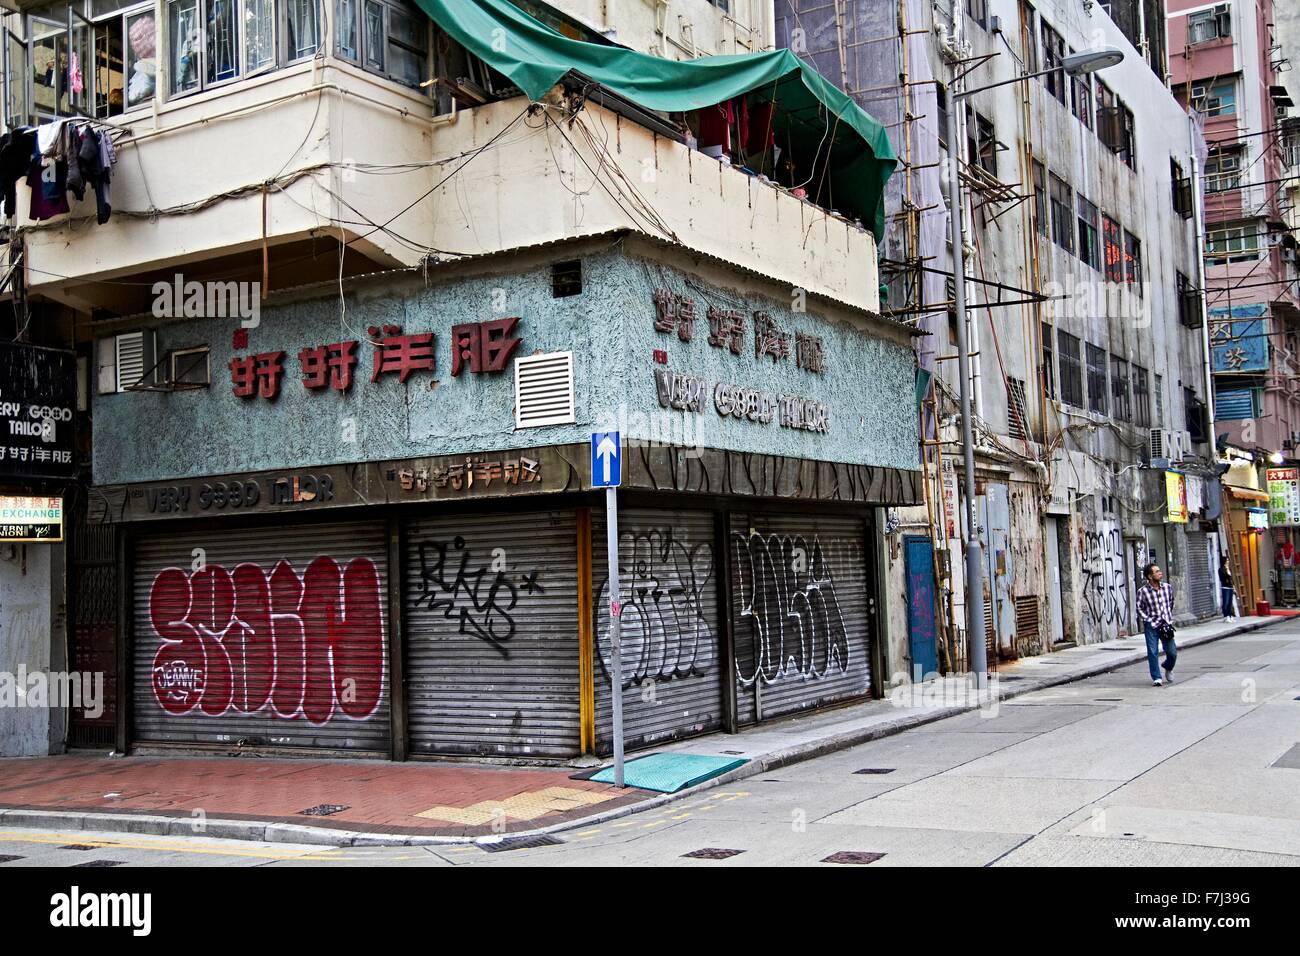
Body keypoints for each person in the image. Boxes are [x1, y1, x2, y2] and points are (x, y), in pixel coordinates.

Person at [1135, 563, 1178, 686]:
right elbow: (1139, 608)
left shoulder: (1167, 588)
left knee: (1172, 652)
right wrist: (1148, 619)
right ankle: (1156, 677)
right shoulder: (1142, 592)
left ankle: (1168, 666)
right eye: (1157, 571)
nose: (1160, 573)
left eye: (1159, 571)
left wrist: (1167, 617)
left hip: (1165, 624)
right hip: (1152, 625)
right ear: (1150, 576)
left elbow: (1171, 602)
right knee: (1152, 651)